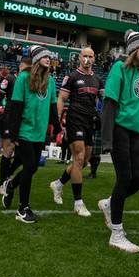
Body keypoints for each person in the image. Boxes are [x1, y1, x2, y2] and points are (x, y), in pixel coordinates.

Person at [97, 30, 139, 253]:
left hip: (137, 132)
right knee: (125, 178)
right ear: (132, 49)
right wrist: (108, 138)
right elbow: (110, 103)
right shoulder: (118, 68)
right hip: (120, 129)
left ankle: (110, 204)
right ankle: (117, 234)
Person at [1, 46, 61, 223]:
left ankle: (10, 185)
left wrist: (57, 127)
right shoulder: (23, 79)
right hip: (25, 130)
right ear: (35, 59)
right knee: (29, 166)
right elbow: (16, 107)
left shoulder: (50, 80)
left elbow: (51, 106)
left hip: (39, 131)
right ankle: (22, 208)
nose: (48, 59)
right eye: (44, 56)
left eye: (49, 57)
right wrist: (14, 134)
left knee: (33, 167)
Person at [49, 47, 104, 217]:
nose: (87, 58)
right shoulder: (71, 76)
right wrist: (58, 119)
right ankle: (78, 202)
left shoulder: (97, 79)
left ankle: (58, 184)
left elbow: (105, 99)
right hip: (74, 119)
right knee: (79, 158)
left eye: (90, 56)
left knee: (84, 161)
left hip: (90, 122)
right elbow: (61, 98)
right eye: (84, 56)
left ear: (94, 59)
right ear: (79, 58)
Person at [0, 58, 31, 194]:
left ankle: (8, 174)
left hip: (25, 118)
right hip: (10, 116)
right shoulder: (10, 78)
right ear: (20, 67)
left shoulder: (30, 80)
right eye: (26, 68)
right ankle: (2, 183)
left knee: (22, 154)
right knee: (8, 149)